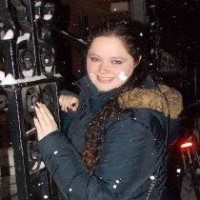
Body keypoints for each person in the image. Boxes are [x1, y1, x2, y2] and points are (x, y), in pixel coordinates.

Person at [34, 21, 183, 199]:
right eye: (95, 59)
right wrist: (74, 106)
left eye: (116, 61)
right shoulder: (98, 100)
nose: (103, 70)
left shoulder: (136, 123)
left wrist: (52, 144)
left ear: (136, 61)